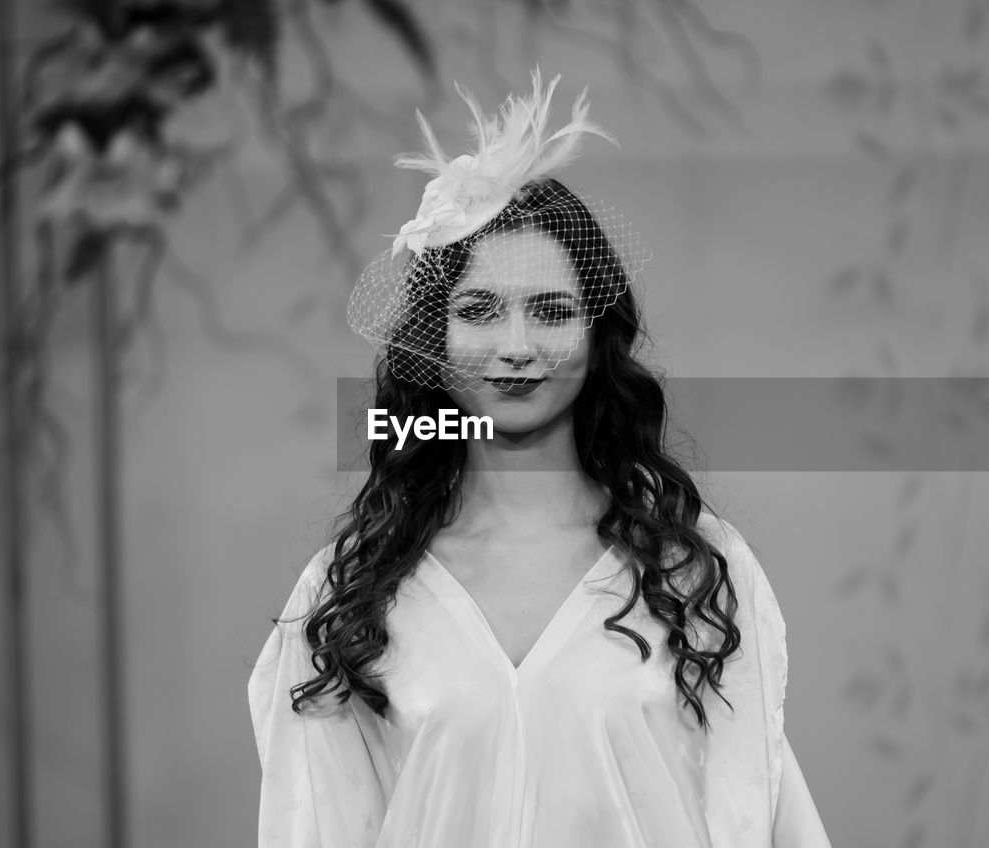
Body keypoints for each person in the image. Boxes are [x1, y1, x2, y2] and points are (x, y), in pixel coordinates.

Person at [248, 69, 832, 848]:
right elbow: (313, 825)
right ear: (433, 338)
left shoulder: (694, 570)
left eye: (552, 311)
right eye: (480, 311)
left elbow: (755, 812)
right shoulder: (350, 590)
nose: (516, 348)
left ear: (599, 339)